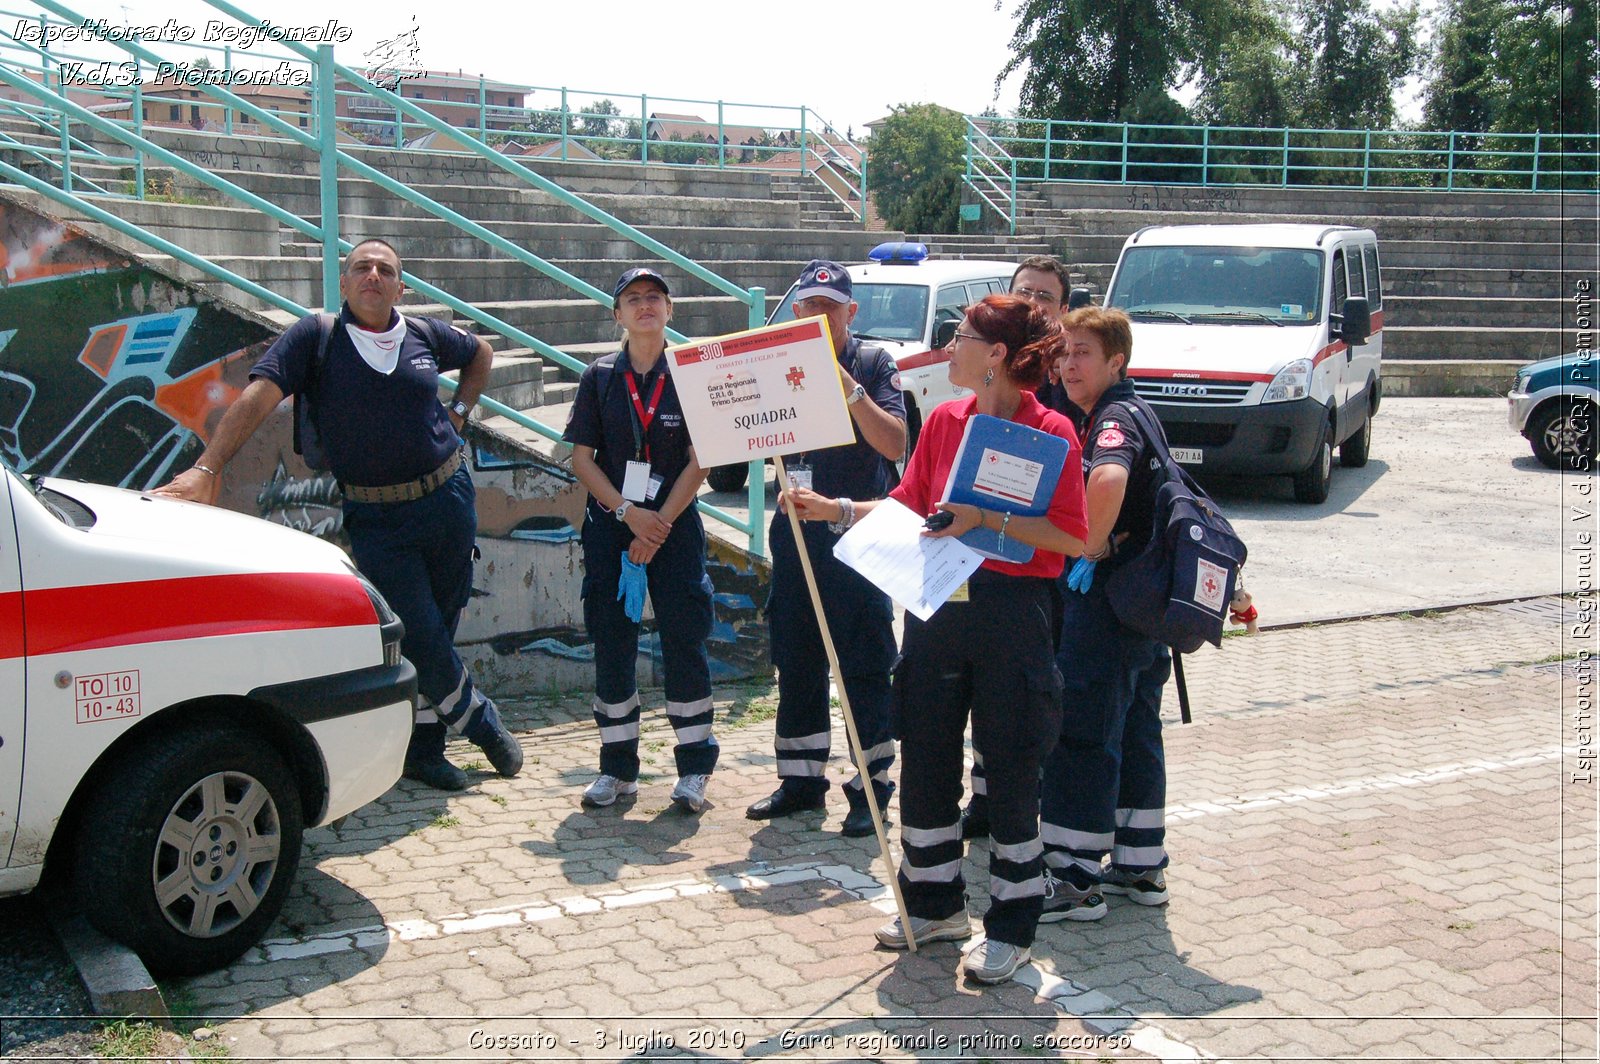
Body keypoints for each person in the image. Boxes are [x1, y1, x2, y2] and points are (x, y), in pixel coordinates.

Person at [786, 294, 1088, 986]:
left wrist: (986, 519)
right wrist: (833, 510)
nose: (950, 346)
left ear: (999, 357)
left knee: (1010, 765)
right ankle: (932, 902)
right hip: (936, 605)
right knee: (925, 748)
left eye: (964, 337)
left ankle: (1012, 922)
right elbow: (909, 506)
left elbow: (1072, 536)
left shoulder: (1053, 433)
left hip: (1014, 613)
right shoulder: (947, 420)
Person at [153, 238, 522, 792]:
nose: (373, 275)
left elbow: (481, 356)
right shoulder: (316, 337)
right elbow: (258, 396)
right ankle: (482, 723)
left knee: (440, 628)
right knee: (421, 635)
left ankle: (424, 749)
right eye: (361, 268)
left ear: (401, 287)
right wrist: (208, 468)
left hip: (448, 500)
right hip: (378, 520)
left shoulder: (422, 334)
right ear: (345, 284)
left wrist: (461, 413)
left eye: (386, 269)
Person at [745, 259, 907, 839]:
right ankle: (800, 781)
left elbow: (894, 443)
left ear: (850, 313)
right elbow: (739, 439)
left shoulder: (873, 363)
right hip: (795, 541)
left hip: (858, 542)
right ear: (795, 311)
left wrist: (849, 388)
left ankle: (871, 791)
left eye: (829, 308)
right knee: (797, 660)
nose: (817, 317)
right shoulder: (773, 362)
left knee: (865, 667)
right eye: (808, 307)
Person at [562, 267, 717, 814]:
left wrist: (660, 524)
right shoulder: (599, 377)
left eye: (655, 298)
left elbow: (703, 459)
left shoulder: (693, 373)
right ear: (618, 315)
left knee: (684, 640)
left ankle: (694, 770)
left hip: (673, 528)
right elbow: (582, 459)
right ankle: (617, 769)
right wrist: (629, 514)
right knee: (613, 642)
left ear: (670, 310)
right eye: (633, 299)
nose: (645, 306)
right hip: (613, 528)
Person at [1037, 305, 1173, 921]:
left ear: (1117, 362)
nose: (1068, 363)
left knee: (1084, 733)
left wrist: (1085, 542)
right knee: (1137, 728)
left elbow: (1111, 478)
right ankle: (1139, 865)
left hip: (1109, 603)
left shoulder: (1113, 418)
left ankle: (1074, 878)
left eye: (1083, 353)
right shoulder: (1136, 409)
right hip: (1143, 607)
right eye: (1064, 353)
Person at [959, 254, 1076, 842]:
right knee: (986, 711)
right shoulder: (955, 414)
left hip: (1040, 584)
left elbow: (1072, 523)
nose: (1032, 303)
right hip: (968, 588)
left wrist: (988, 518)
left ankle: (1029, 827)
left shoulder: (1065, 396)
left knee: (1030, 715)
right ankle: (986, 807)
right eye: (1022, 293)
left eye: (1044, 297)